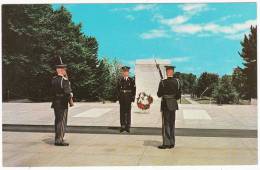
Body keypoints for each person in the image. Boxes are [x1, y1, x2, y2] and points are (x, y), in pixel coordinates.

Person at [157, 65, 181, 149]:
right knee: (172, 123)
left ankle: (166, 143)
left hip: (165, 104)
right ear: (172, 72)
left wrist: (163, 88)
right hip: (173, 104)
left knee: (166, 124)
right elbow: (178, 96)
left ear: (167, 72)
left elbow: (159, 94)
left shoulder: (163, 82)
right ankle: (172, 143)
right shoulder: (177, 82)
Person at [51, 57, 73, 146]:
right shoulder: (64, 80)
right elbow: (67, 93)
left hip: (55, 102)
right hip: (63, 103)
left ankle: (57, 138)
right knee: (62, 121)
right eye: (64, 69)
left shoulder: (54, 79)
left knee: (57, 121)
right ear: (61, 70)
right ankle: (59, 140)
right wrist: (71, 96)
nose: (65, 71)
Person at [117, 66, 136, 133]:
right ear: (123, 72)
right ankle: (122, 126)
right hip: (122, 97)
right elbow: (118, 89)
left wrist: (132, 98)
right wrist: (118, 98)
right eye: (124, 72)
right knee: (122, 112)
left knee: (128, 112)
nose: (125, 73)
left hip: (128, 97)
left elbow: (134, 90)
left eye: (126, 72)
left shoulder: (131, 80)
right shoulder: (120, 80)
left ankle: (128, 126)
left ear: (128, 72)